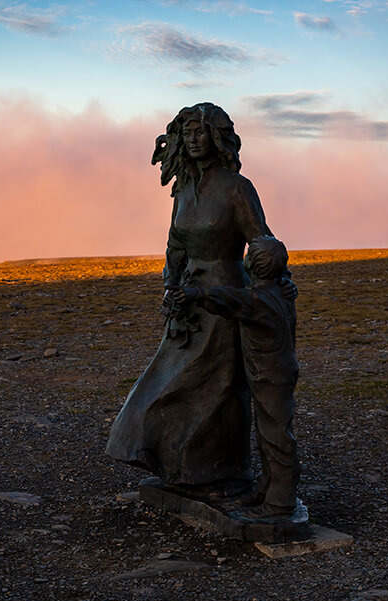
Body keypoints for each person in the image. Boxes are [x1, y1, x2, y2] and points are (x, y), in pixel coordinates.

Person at [105, 103, 292, 498]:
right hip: (187, 302)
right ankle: (180, 468)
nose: (193, 139)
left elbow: (262, 239)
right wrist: (170, 281)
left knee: (218, 389)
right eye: (186, 132)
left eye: (200, 132)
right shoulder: (184, 189)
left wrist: (279, 280)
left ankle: (221, 474)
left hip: (225, 297)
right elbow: (175, 244)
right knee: (166, 382)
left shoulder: (238, 188)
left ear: (217, 137)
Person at [167, 236, 300, 519]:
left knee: (277, 437)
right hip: (275, 371)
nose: (245, 259)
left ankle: (280, 503)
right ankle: (266, 488)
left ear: (254, 265)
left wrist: (195, 294)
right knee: (268, 433)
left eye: (249, 256)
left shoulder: (258, 299)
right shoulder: (282, 292)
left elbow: (229, 299)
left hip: (271, 375)